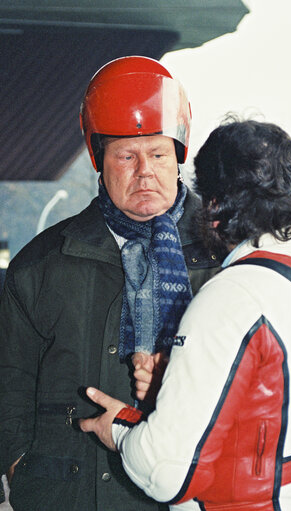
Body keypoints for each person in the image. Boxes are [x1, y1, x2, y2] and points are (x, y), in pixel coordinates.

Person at [80, 117, 291, 511]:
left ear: (215, 205)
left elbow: (164, 472)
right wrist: (183, 377)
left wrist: (119, 427)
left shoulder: (230, 295)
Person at [0, 56, 221, 511]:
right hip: (67, 494)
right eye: (127, 156)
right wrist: (17, 460)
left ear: (179, 155)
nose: (145, 171)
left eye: (159, 154)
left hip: (188, 492)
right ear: (99, 159)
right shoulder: (40, 265)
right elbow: (9, 379)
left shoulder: (226, 257)